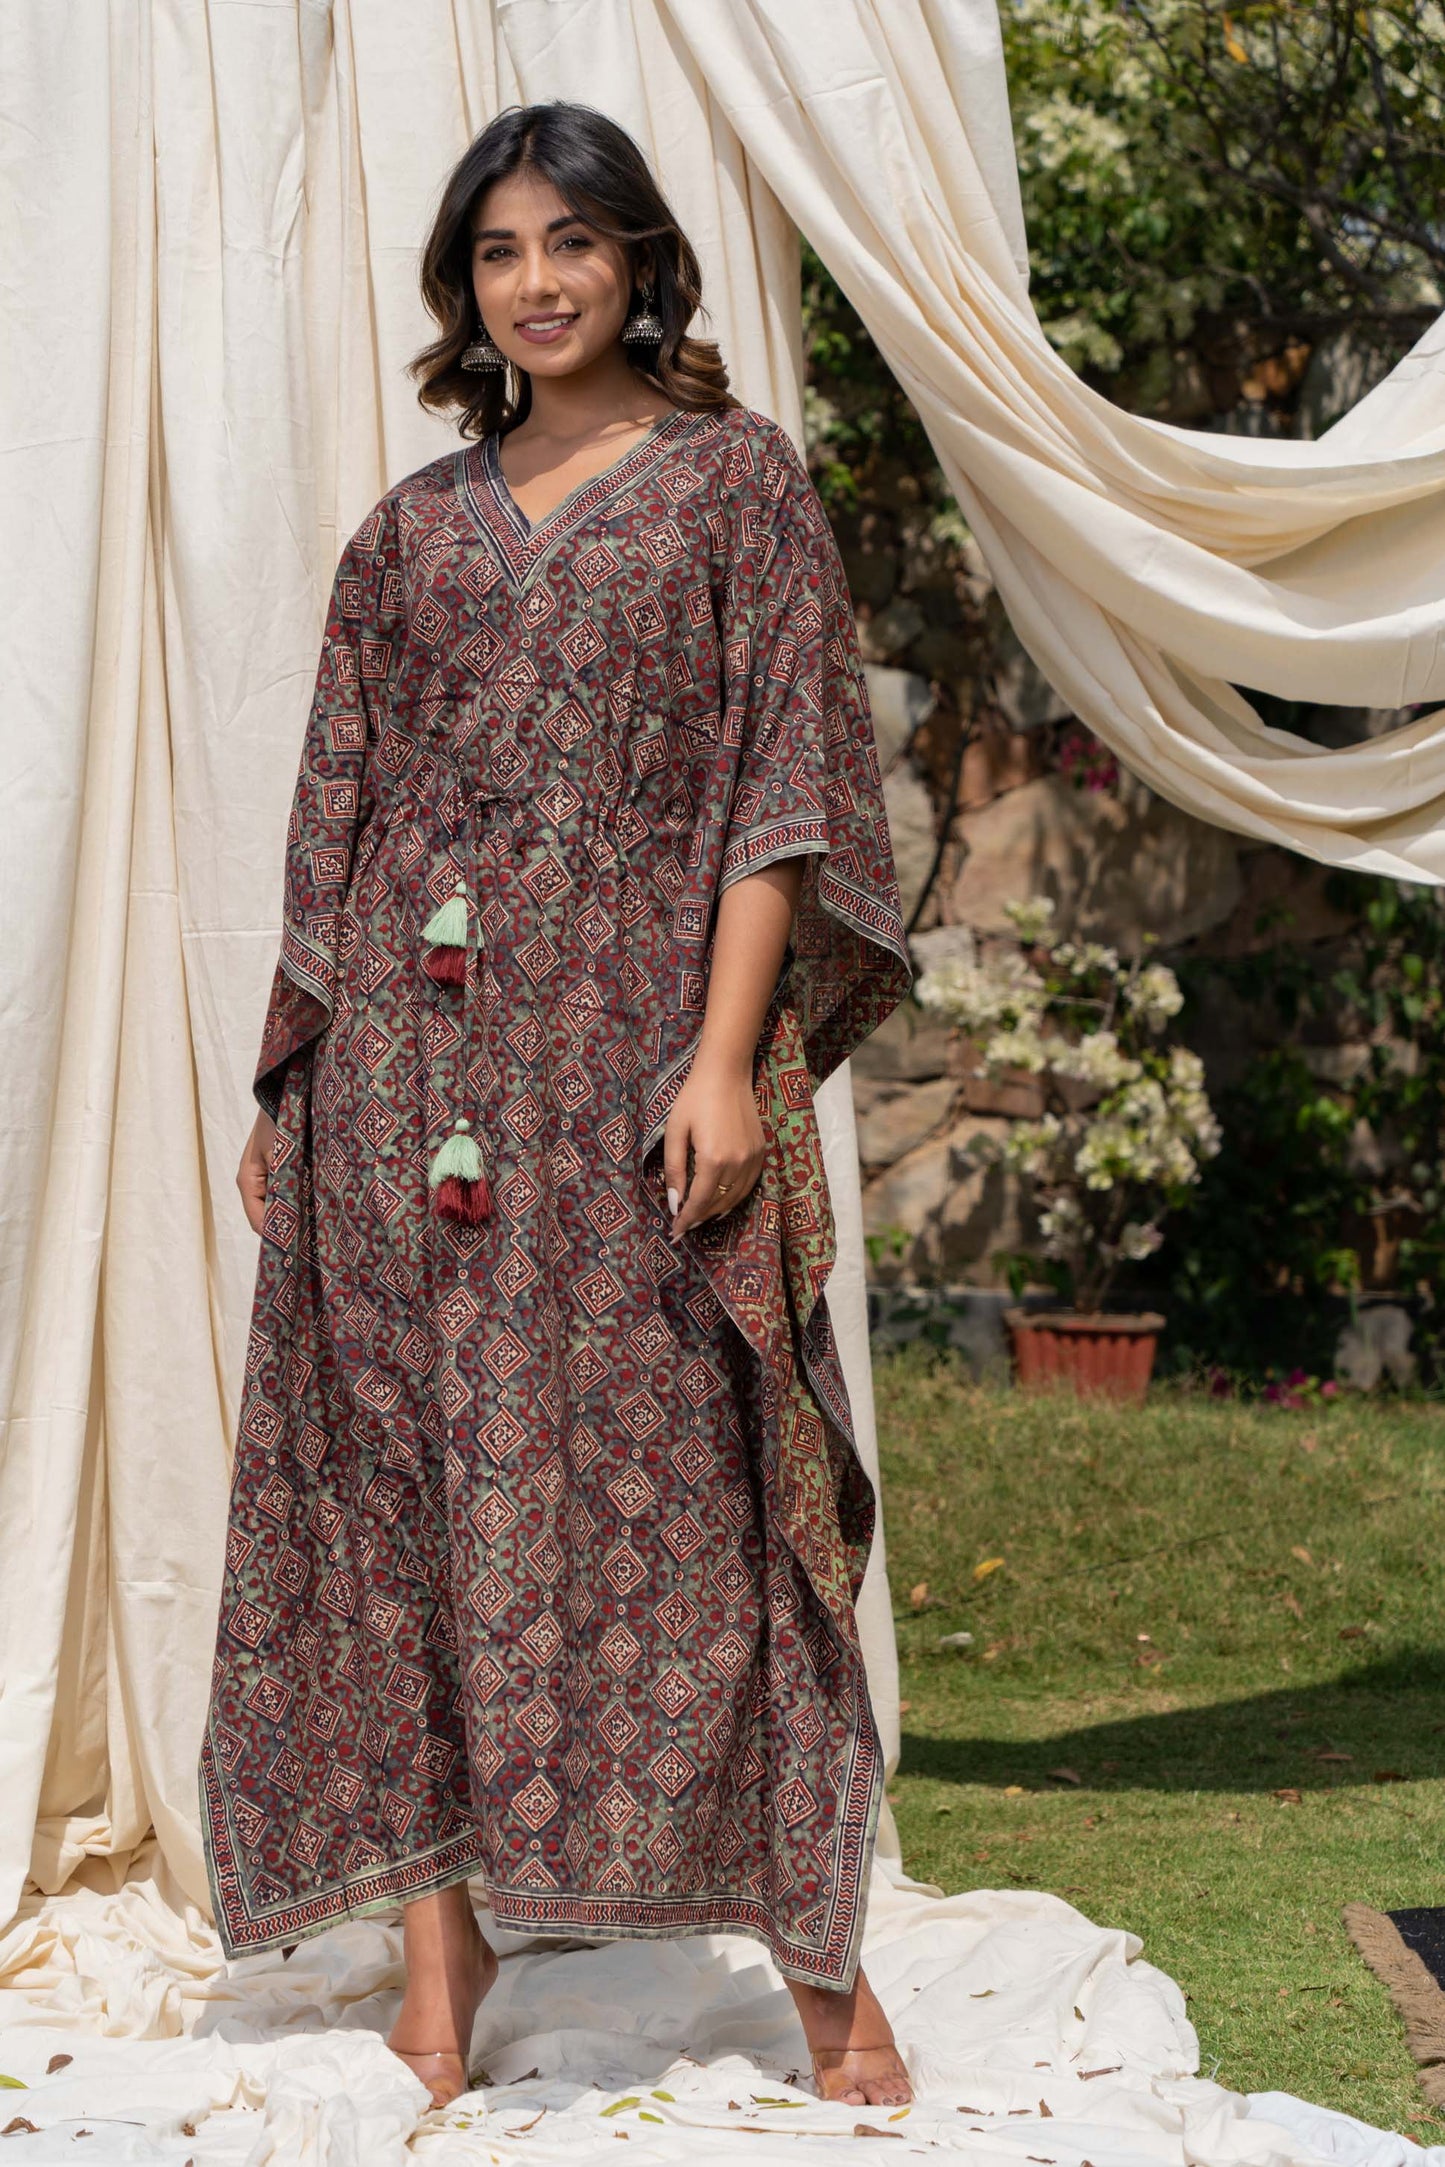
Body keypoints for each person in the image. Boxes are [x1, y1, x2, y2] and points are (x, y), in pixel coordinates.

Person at [199, 100, 913, 2113]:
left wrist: (723, 1058)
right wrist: (289, 1076)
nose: (539, 282)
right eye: (501, 250)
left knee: (704, 1502)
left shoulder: (733, 488)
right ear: (465, 284)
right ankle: (441, 1979)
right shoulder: (412, 532)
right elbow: (337, 815)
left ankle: (828, 1980)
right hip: (402, 1098)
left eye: (573, 242)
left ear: (638, 262)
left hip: (630, 1083)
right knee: (405, 1503)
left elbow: (783, 789)